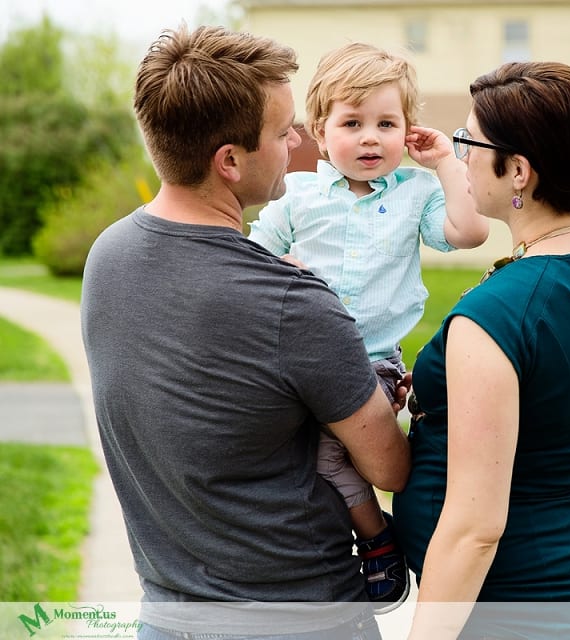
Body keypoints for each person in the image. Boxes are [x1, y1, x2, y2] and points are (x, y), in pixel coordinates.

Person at [80, 25, 410, 640]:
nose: (297, 141)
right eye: (282, 131)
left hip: (166, 615)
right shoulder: (291, 302)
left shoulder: (109, 256)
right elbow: (389, 467)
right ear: (229, 161)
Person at [392, 61, 570, 640]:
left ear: (517, 170)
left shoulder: (497, 315)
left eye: (469, 142)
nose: (461, 155)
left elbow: (474, 529)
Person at [247, 42, 488, 613]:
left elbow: (469, 232)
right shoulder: (297, 195)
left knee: (333, 458)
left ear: (408, 131)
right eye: (352, 123)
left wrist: (445, 163)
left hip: (372, 362)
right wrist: (283, 268)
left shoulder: (415, 193)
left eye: (387, 123)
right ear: (319, 132)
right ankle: (307, 550)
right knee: (289, 452)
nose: (370, 138)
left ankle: (377, 540)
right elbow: (252, 257)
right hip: (299, 362)